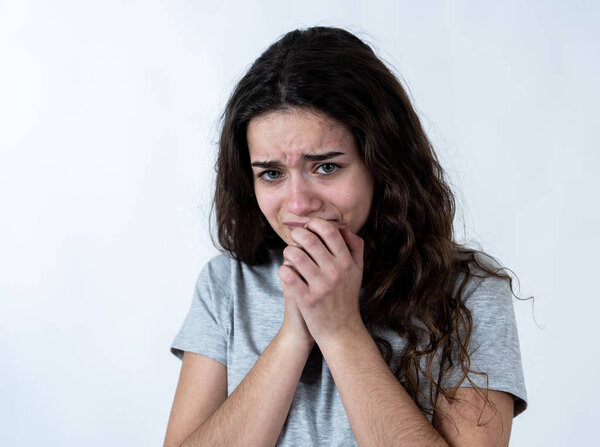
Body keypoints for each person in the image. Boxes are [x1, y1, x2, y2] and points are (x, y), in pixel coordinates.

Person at [163, 26, 527, 447]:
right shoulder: (226, 286)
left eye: (327, 167)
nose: (298, 204)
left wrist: (339, 330)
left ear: (382, 163)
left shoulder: (470, 292)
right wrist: (294, 334)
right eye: (272, 174)